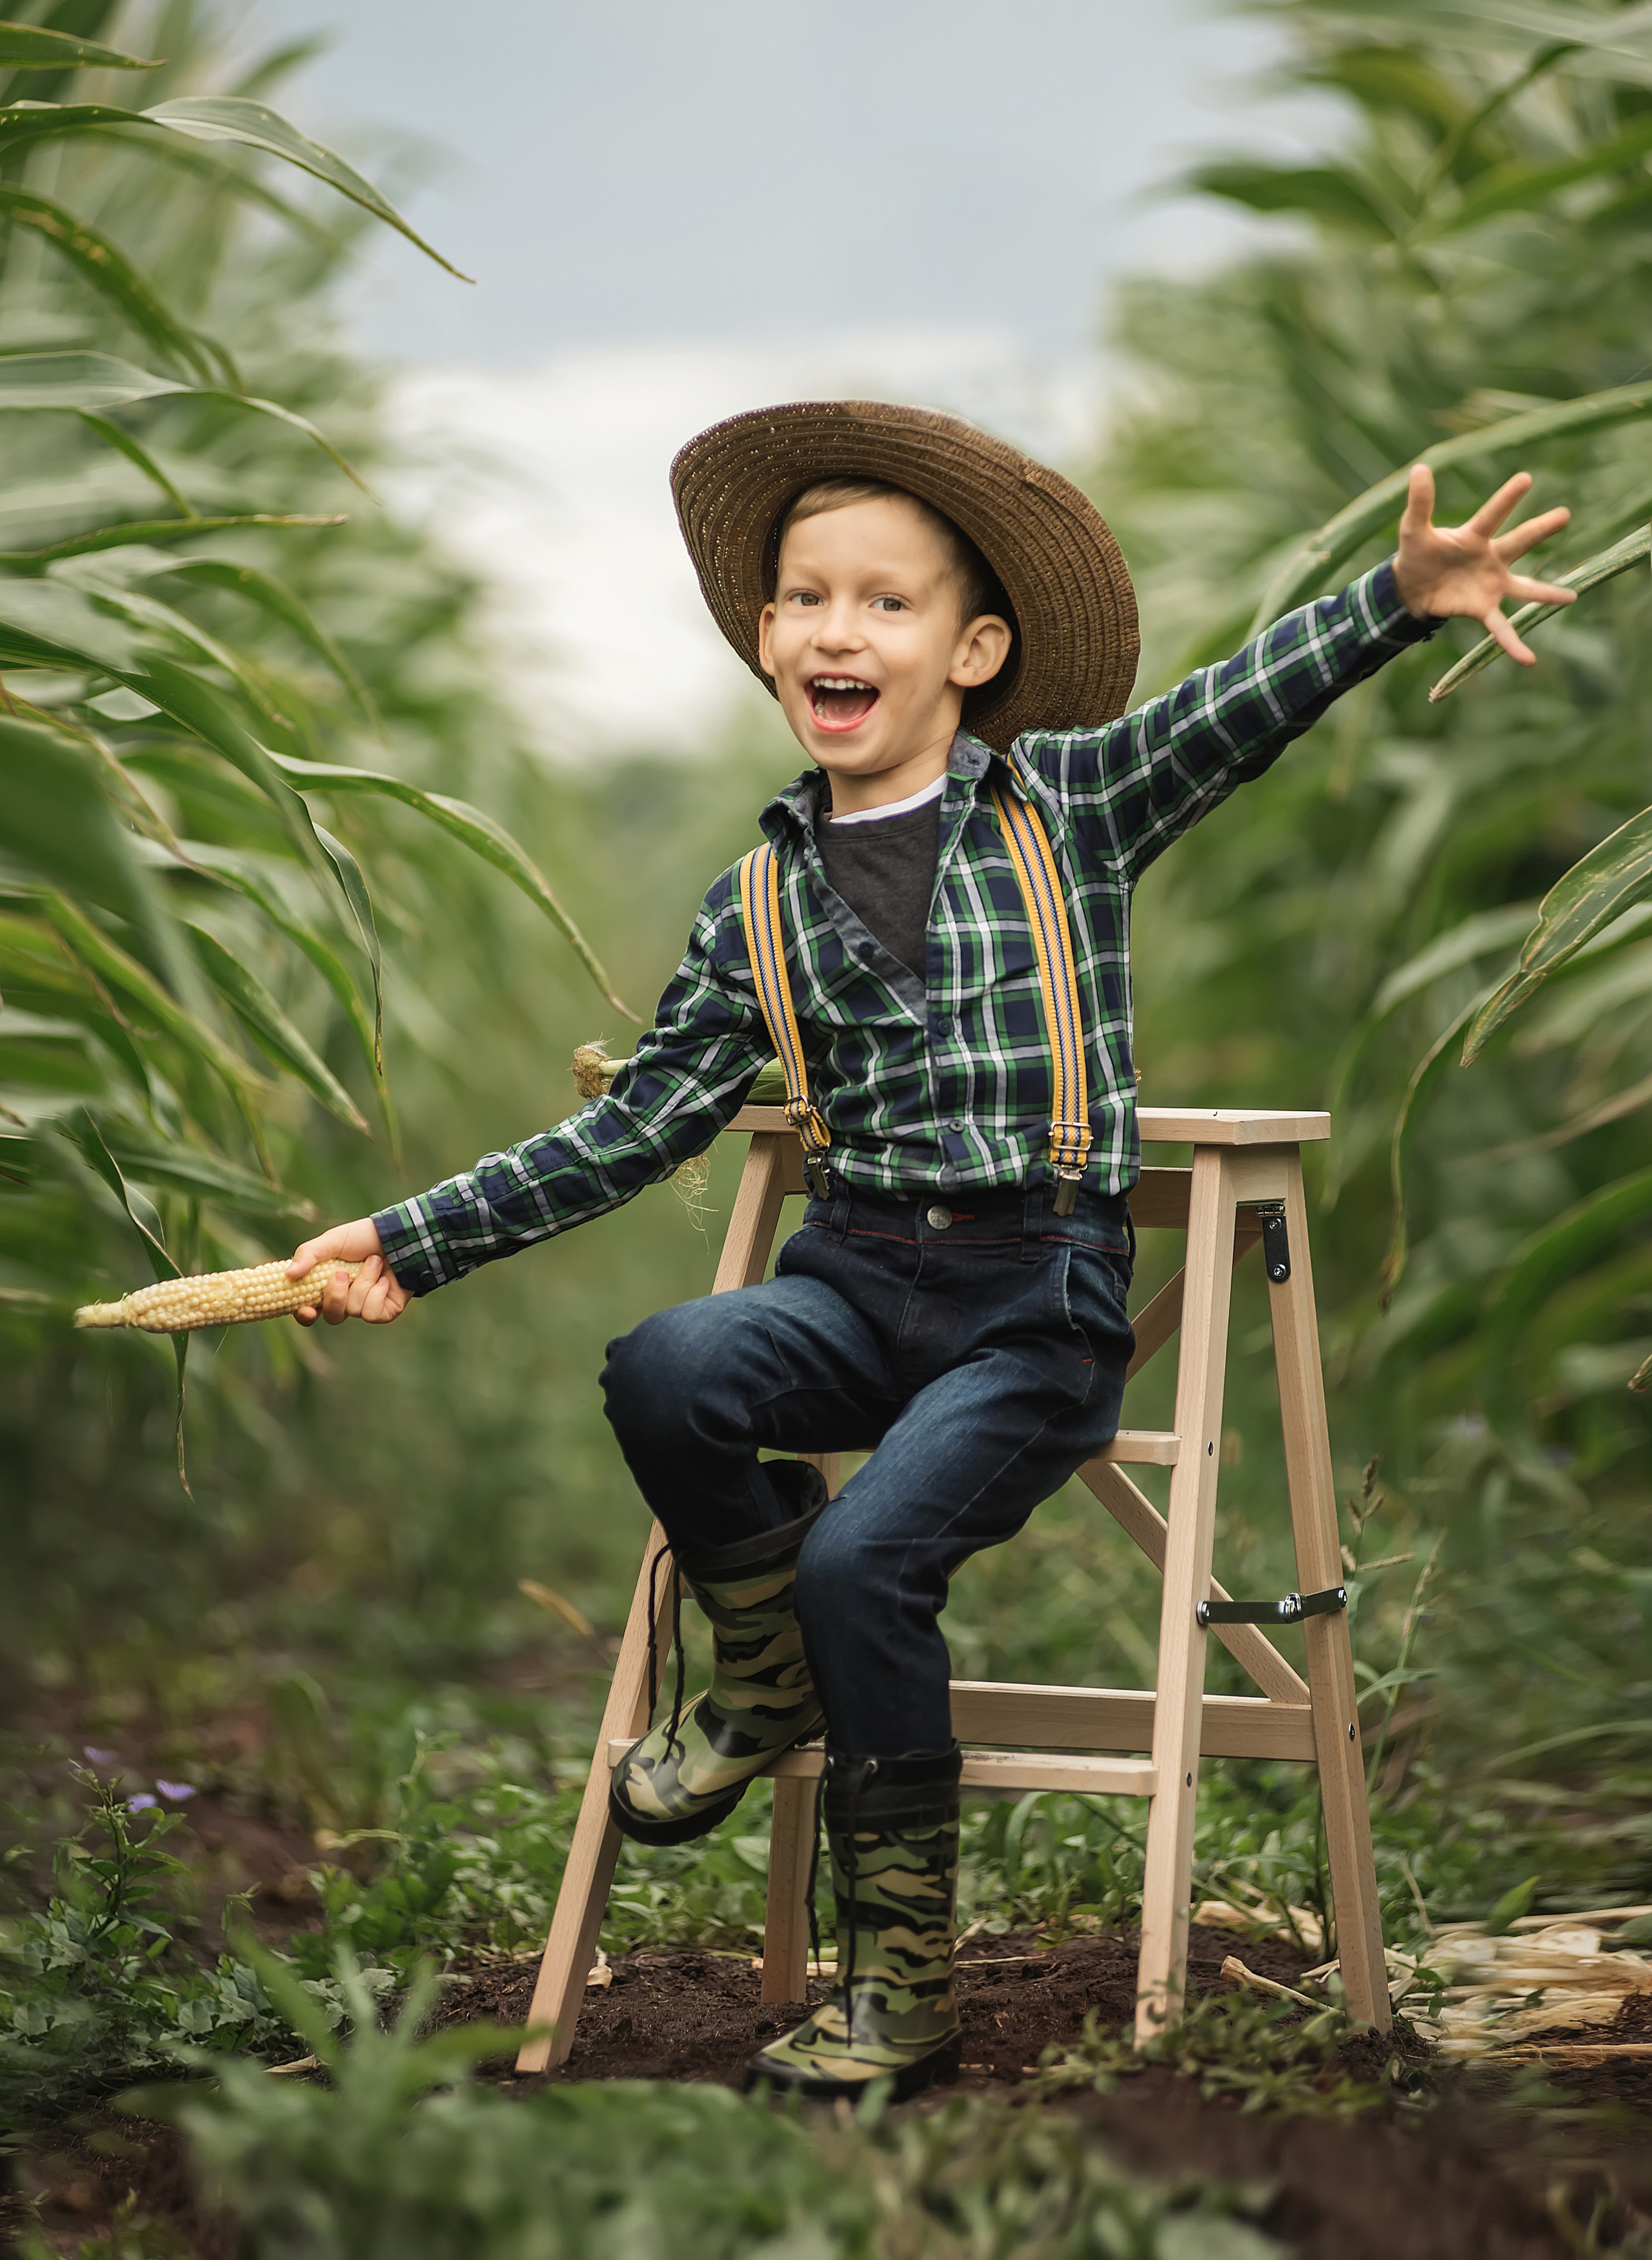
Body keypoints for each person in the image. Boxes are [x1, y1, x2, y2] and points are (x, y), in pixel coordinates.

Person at [285, 401, 1573, 2101]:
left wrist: (1393, 602)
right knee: (665, 1366)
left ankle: (900, 1981)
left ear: (973, 651)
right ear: (766, 638)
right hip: (855, 1275)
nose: (840, 628)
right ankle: (760, 1678)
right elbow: (639, 1120)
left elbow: (1231, 714)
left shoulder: (1071, 807)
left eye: (887, 603)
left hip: (1030, 1304)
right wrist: (412, 1236)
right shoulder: (756, 897)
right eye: (808, 596)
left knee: (862, 1561)